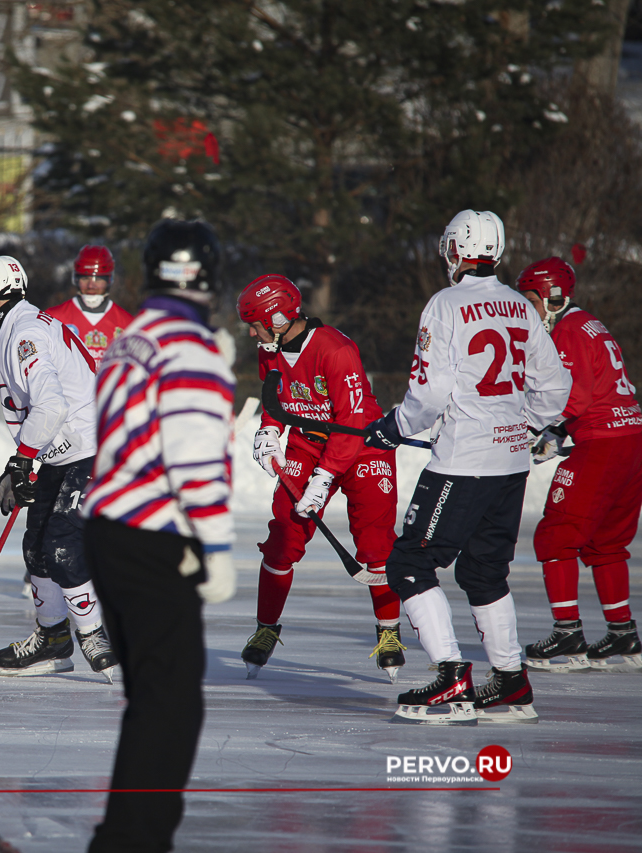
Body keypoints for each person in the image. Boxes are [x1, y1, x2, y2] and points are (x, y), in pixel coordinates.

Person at [365, 210, 571, 724]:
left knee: (409, 564)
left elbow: (429, 391)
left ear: (456, 249)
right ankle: (510, 682)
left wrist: (396, 425)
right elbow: (556, 387)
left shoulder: (445, 304)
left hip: (462, 462)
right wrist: (524, 428)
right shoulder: (522, 308)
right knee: (483, 571)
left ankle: (452, 678)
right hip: (509, 462)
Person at [81, 219, 235, 853]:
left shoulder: (129, 337)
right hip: (151, 536)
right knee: (172, 704)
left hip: (107, 528)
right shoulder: (191, 349)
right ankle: (134, 842)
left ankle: (126, 836)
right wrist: (218, 547)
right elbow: (195, 457)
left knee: (151, 698)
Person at [236, 274, 405, 681]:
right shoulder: (270, 348)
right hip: (308, 443)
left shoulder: (337, 350)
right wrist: (269, 429)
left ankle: (389, 633)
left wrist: (324, 479)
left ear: (277, 318)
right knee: (284, 535)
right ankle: (266, 628)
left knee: (375, 541)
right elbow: (275, 398)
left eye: (256, 324)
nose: (252, 333)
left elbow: (350, 423)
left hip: (360, 443)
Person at [0, 254, 118, 679]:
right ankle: (52, 639)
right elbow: (35, 413)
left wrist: (23, 459)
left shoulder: (25, 333)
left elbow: (51, 406)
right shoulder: (26, 325)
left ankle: (92, 633)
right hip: (62, 450)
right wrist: (20, 467)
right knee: (36, 548)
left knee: (62, 546)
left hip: (88, 447)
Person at [516, 257, 642, 672]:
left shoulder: (566, 330)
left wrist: (548, 429)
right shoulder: (590, 322)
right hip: (631, 438)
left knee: (556, 535)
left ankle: (567, 632)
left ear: (552, 297)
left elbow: (576, 396)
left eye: (529, 298)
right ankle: (622, 632)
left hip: (602, 444)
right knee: (606, 541)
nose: (525, 307)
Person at [45, 245, 135, 369]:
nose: (91, 285)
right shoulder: (53, 319)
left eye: (98, 279)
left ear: (109, 279)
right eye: (85, 278)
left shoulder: (128, 324)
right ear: (76, 279)